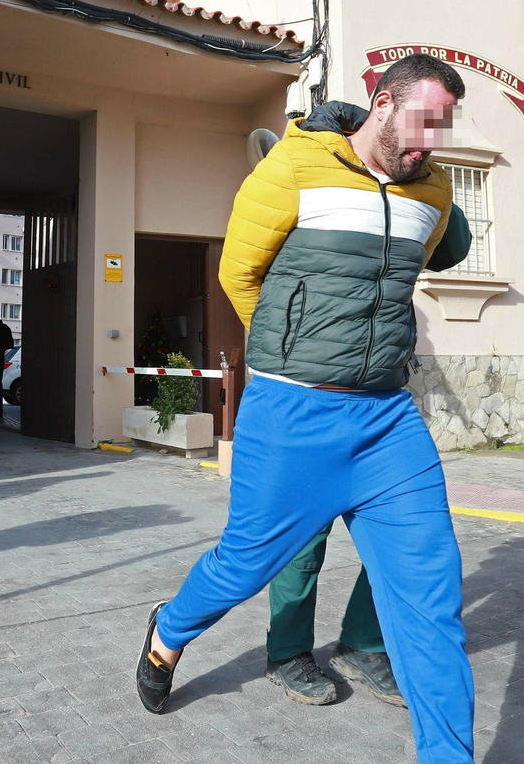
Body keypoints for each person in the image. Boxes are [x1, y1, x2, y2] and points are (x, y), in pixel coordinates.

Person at [134, 54, 477, 762]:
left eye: (441, 129)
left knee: (431, 601)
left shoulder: (434, 190)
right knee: (243, 565)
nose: (428, 143)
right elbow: (238, 270)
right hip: (294, 414)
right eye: (421, 122)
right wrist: (294, 357)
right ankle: (168, 632)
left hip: (387, 422)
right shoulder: (294, 165)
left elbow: (441, 250)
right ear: (381, 103)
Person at [264, 204, 472, 708]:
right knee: (302, 538)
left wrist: (431, 177)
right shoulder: (309, 177)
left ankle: (362, 642)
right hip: (310, 398)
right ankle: (287, 651)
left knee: (401, 534)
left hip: (380, 405)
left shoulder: (404, 192)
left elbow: (453, 246)